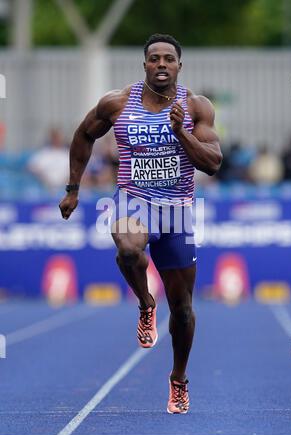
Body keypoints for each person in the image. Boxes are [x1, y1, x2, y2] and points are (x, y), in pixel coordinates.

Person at [59, 34, 222, 414]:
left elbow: (212, 163)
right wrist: (72, 188)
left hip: (178, 210)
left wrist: (181, 132)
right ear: (145, 65)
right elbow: (84, 134)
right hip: (134, 199)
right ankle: (146, 302)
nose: (161, 64)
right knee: (129, 248)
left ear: (180, 66)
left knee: (182, 310)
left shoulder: (197, 107)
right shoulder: (117, 102)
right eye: (154, 58)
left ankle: (178, 378)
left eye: (169, 58)